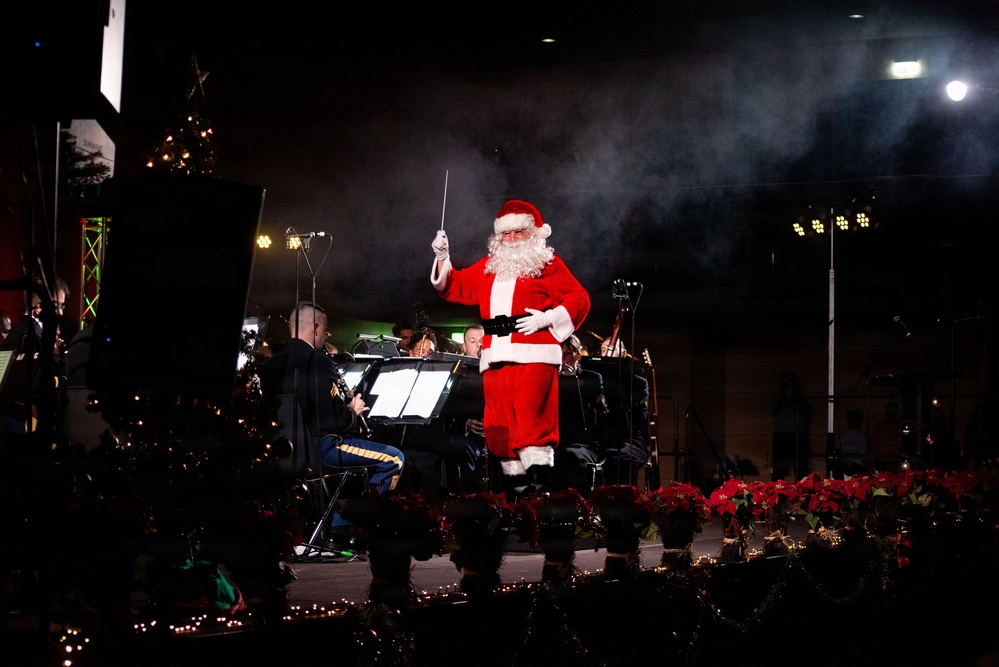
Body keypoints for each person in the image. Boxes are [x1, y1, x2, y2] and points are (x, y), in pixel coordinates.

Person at [430, 199, 590, 495]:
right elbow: (454, 286)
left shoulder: (547, 265)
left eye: (519, 231)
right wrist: (443, 257)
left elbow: (579, 299)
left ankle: (540, 495)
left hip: (535, 351)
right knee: (499, 427)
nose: (513, 238)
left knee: (531, 423)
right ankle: (520, 499)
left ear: (534, 233)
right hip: (496, 355)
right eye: (506, 233)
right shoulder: (489, 267)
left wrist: (548, 318)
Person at [259, 302, 404, 543]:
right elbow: (333, 420)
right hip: (320, 449)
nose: (326, 336)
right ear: (315, 328)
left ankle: (339, 525)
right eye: (325, 330)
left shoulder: (269, 365)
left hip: (285, 453)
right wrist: (353, 412)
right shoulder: (319, 362)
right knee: (394, 458)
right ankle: (367, 526)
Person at [550, 334, 608, 495]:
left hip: (585, 443)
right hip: (556, 440)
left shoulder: (592, 379)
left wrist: (576, 394)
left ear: (578, 355)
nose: (563, 358)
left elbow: (601, 415)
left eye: (568, 353)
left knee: (568, 455)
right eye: (560, 354)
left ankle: (574, 500)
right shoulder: (551, 379)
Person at [770, 370, 810, 481]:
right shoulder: (777, 398)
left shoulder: (799, 398)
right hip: (781, 437)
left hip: (798, 437)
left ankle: (801, 490)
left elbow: (804, 411)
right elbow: (773, 410)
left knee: (801, 472)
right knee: (779, 472)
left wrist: (792, 396)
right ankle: (778, 490)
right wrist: (780, 394)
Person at [834, 408, 868, 476]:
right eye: (849, 420)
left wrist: (851, 461)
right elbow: (836, 453)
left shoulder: (862, 438)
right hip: (842, 465)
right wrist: (844, 460)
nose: (851, 423)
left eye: (853, 421)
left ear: (858, 422)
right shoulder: (841, 438)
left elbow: (863, 456)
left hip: (857, 467)